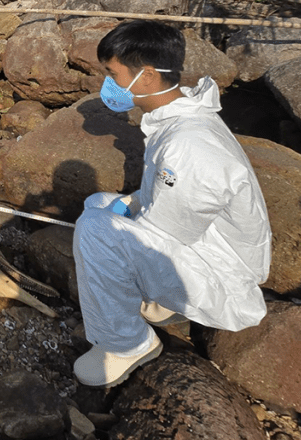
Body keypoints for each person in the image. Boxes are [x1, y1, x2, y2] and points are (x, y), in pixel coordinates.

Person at [72, 20, 271, 387]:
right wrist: (129, 207)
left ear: (146, 76)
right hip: (199, 237)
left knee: (94, 230)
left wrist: (118, 223)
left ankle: (127, 343)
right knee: (99, 203)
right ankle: (158, 301)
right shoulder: (179, 116)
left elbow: (168, 231)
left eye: (113, 74)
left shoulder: (189, 146)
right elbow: (169, 202)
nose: (109, 84)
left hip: (222, 272)